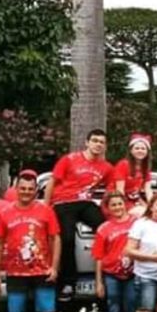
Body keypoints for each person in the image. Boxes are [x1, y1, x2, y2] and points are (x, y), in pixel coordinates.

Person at [0, 169, 71, 312]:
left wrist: (54, 267)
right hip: (15, 272)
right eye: (23, 188)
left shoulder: (46, 210)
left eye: (30, 189)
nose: (26, 192)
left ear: (36, 190)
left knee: (49, 311)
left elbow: (55, 239)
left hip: (42, 271)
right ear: (16, 189)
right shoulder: (5, 213)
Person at [44, 129, 113, 302]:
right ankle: (68, 282)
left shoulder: (106, 167)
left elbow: (113, 189)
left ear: (105, 146)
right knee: (67, 238)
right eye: (95, 140)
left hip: (85, 203)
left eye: (101, 142)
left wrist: (108, 206)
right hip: (63, 202)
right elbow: (52, 182)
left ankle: (110, 275)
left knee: (107, 230)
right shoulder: (69, 159)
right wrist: (45, 207)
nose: (98, 144)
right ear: (87, 143)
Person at [93, 192, 135, 312]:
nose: (117, 207)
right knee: (114, 310)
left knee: (131, 308)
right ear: (108, 208)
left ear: (125, 204)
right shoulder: (103, 229)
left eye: (120, 203)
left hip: (132, 273)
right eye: (113, 205)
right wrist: (99, 282)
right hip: (111, 274)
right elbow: (99, 257)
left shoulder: (136, 223)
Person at [109, 133, 153, 215]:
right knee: (143, 213)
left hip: (134, 200)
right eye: (137, 148)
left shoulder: (146, 168)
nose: (140, 151)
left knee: (153, 213)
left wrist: (152, 205)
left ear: (147, 151)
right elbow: (120, 191)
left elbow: (148, 190)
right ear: (131, 150)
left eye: (143, 148)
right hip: (117, 201)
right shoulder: (123, 165)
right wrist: (124, 208)